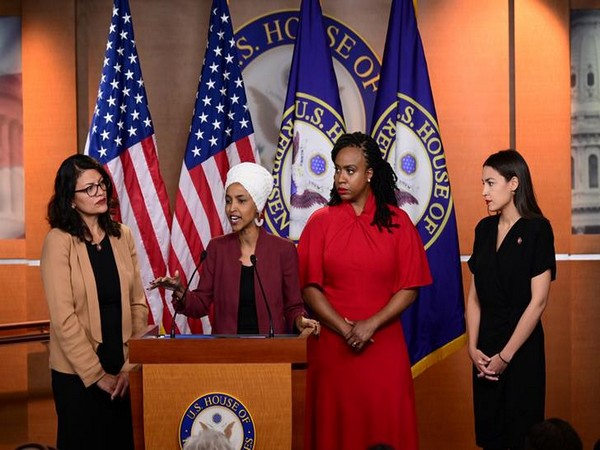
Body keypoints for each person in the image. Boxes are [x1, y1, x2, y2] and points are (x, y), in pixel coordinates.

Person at [297, 132, 432, 450]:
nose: (340, 178)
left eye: (350, 170)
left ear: (370, 173)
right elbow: (309, 288)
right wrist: (344, 328)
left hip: (383, 347)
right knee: (335, 429)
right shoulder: (319, 223)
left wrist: (370, 323)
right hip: (332, 349)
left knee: (385, 426)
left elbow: (410, 287)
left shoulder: (399, 223)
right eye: (337, 170)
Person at [40, 154, 149, 450]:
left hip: (124, 373)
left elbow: (138, 303)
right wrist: (97, 375)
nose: (100, 192)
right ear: (71, 200)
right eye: (89, 188)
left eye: (101, 184)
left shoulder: (122, 236)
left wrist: (129, 366)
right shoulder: (58, 241)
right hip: (78, 378)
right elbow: (64, 319)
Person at [150, 162, 319, 336]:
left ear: (258, 207)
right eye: (229, 201)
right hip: (226, 354)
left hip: (271, 355)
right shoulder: (217, 249)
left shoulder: (283, 250)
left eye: (241, 200)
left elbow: (293, 306)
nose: (232, 209)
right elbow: (200, 305)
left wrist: (300, 320)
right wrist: (180, 290)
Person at [466, 149, 556, 450]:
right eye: (482, 183)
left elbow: (538, 302)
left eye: (490, 183)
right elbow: (475, 296)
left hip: (521, 350)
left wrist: (506, 356)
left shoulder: (537, 229)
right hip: (485, 351)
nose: (484, 192)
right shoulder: (483, 229)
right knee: (489, 436)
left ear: (514, 183)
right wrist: (472, 347)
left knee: (522, 436)